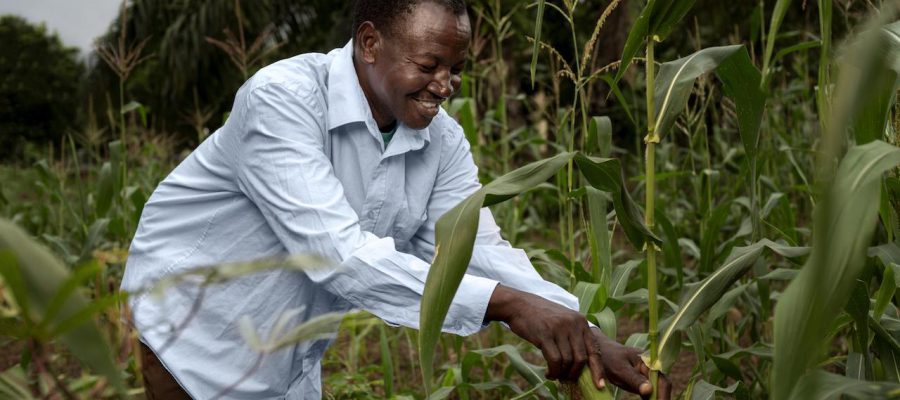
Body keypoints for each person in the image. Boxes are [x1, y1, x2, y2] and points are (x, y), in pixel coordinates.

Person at [121, 0, 671, 399]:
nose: (444, 85)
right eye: (428, 65)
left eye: (456, 70)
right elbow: (338, 258)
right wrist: (509, 306)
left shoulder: (443, 139)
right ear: (369, 44)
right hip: (196, 331)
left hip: (289, 355)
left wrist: (590, 336)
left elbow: (477, 248)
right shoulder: (282, 101)